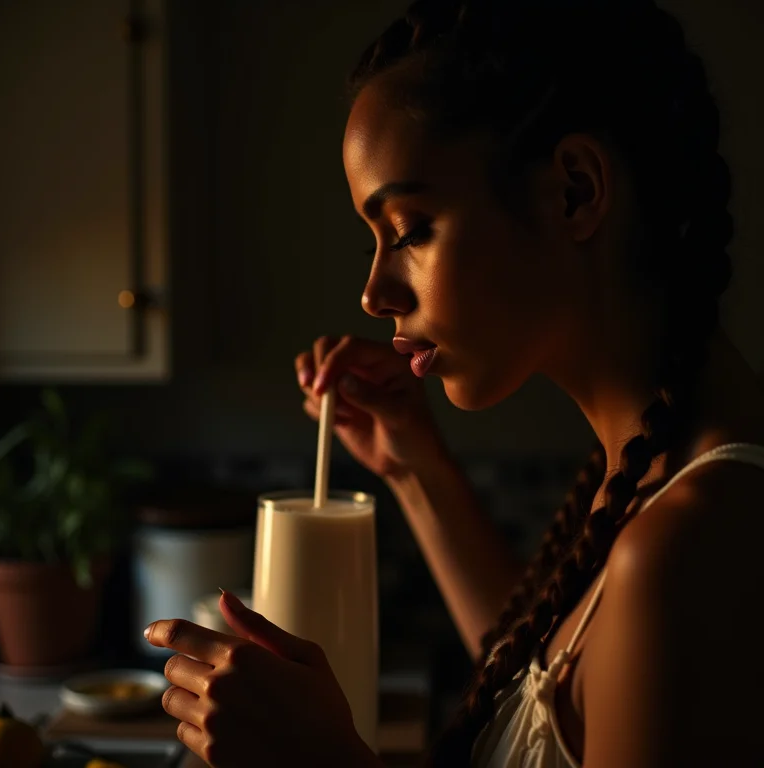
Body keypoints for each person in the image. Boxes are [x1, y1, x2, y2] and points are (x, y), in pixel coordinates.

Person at [144, 0, 764, 765]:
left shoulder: (690, 547)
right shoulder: (649, 473)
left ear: (574, 190)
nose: (373, 294)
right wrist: (412, 465)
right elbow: (541, 686)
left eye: (407, 229)